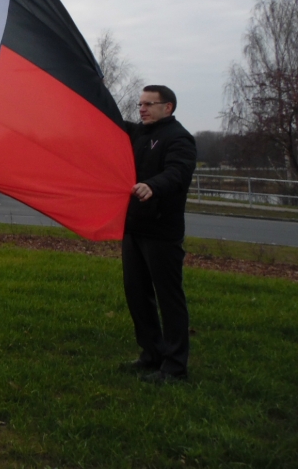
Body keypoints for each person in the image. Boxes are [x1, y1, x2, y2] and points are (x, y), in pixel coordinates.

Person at [122, 85, 197, 383]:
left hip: (162, 232)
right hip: (134, 229)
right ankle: (151, 353)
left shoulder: (179, 138)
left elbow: (177, 173)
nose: (141, 109)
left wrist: (153, 185)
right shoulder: (139, 134)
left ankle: (175, 366)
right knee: (137, 295)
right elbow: (110, 121)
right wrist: (94, 89)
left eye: (148, 104)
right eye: (140, 104)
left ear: (168, 107)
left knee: (169, 299)